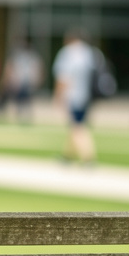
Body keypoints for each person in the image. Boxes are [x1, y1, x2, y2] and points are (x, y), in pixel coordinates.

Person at [51, 30, 97, 164]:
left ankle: (88, 157)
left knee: (77, 127)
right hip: (86, 95)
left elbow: (63, 77)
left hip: (72, 95)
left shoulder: (67, 53)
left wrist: (58, 96)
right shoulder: (88, 53)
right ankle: (67, 156)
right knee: (75, 125)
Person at [0, 41, 42, 121]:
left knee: (21, 100)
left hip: (20, 81)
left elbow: (10, 68)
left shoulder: (19, 56)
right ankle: (21, 115)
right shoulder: (32, 57)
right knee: (22, 100)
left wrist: (6, 80)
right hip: (24, 82)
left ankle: (19, 114)